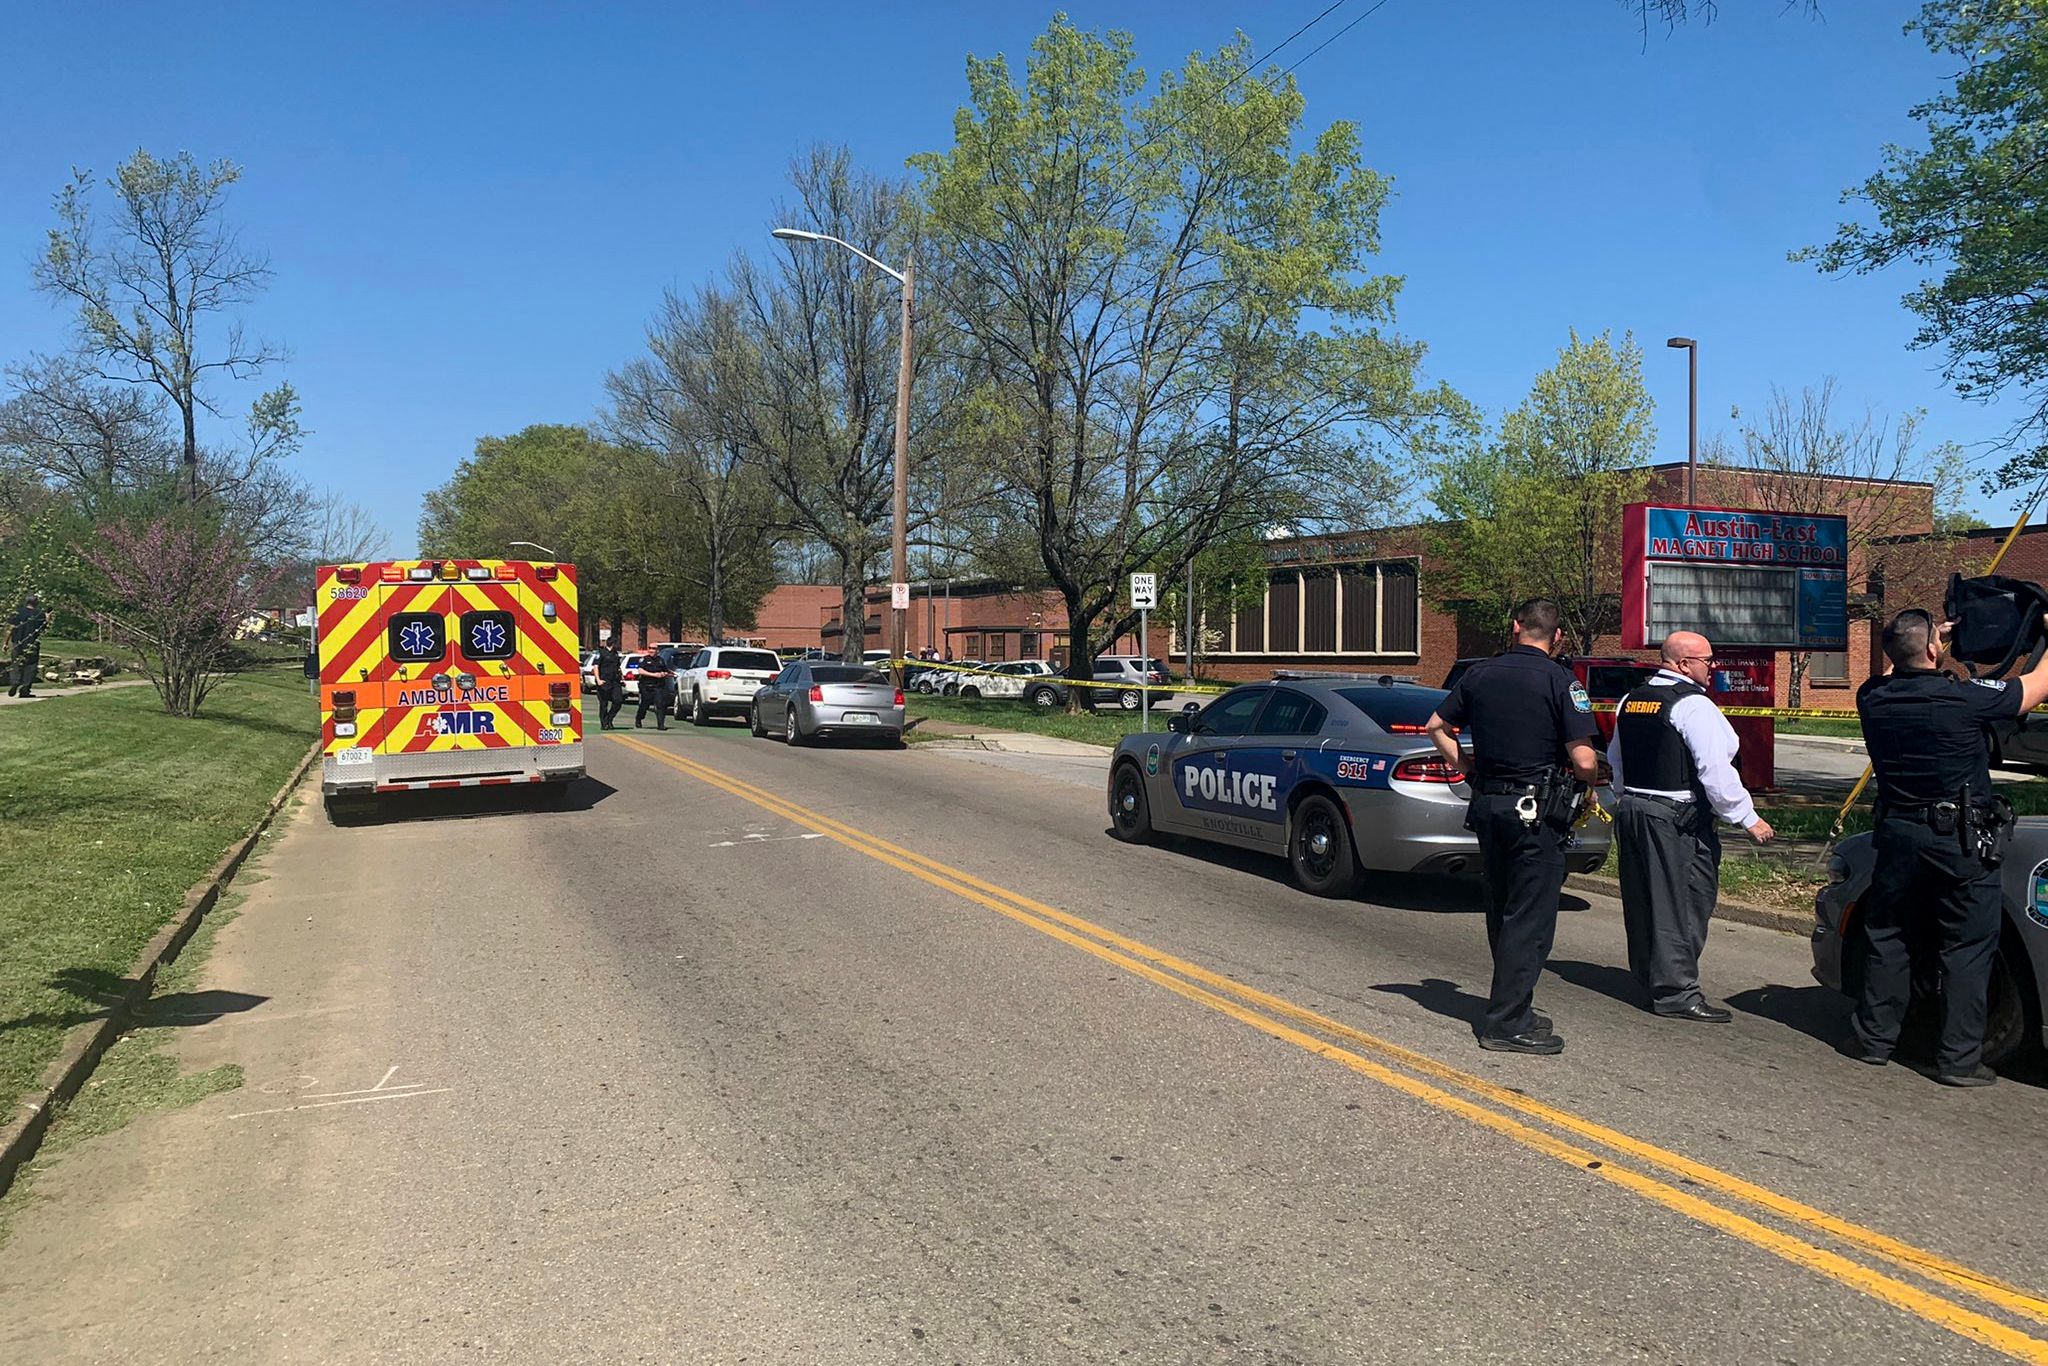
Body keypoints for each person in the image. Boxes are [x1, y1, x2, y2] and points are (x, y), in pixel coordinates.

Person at [1851, 608, 2048, 1086]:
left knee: (1888, 933)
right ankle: (1958, 1061)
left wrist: (1925, 639)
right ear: (1935, 651)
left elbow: (1904, 662)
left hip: (1897, 834)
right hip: (1957, 841)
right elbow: (2038, 685)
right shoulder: (1963, 699)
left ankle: (1876, 1042)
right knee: (1966, 946)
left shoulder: (1871, 696)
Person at [1425, 597, 1602, 1054]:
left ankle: (1512, 1005)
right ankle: (1506, 1024)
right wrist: (1592, 775)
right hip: (1536, 814)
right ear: (1557, 635)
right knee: (1531, 917)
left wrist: (1466, 767)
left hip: (1489, 805)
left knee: (1501, 908)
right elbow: (1583, 760)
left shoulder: (1480, 674)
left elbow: (1436, 726)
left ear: (1515, 626)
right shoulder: (1562, 681)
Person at [1607, 631, 1775, 1023]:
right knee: (1684, 902)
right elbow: (1714, 770)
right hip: (1674, 819)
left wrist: (1622, 800)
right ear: (1683, 664)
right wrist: (1747, 817)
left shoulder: (1632, 700)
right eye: (1707, 660)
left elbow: (1616, 759)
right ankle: (1677, 992)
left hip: (1634, 809)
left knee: (1645, 900)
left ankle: (1651, 979)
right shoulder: (1694, 706)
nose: (1712, 667)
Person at [8, 591, 47, 698]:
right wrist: (47, 619)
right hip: (32, 643)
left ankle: (15, 682)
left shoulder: (17, 612)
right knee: (31, 665)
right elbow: (42, 630)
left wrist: (5, 642)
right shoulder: (40, 614)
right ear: (36, 603)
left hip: (17, 642)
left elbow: (10, 628)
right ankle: (25, 689)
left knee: (16, 663)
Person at [634, 647, 674, 730]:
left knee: (660, 705)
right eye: (650, 648)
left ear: (657, 651)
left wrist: (664, 673)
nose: (651, 650)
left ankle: (661, 725)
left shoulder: (661, 660)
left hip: (658, 686)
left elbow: (666, 670)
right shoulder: (644, 659)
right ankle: (639, 718)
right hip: (646, 686)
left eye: (654, 649)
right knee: (645, 705)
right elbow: (640, 671)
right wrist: (654, 675)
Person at [594, 636, 624, 731]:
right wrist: (598, 680)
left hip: (615, 681)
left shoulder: (615, 654)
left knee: (618, 701)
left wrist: (622, 678)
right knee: (604, 704)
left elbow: (618, 667)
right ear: (613, 644)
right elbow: (596, 667)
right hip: (604, 681)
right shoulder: (601, 653)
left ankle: (609, 718)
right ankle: (604, 724)